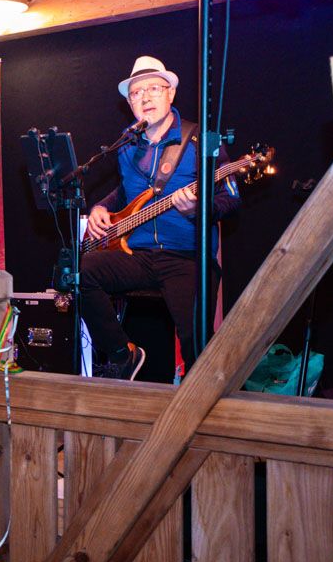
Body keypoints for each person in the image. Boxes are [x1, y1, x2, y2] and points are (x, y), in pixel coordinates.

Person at [81, 55, 241, 380]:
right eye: (137, 93)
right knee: (80, 272)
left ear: (170, 94)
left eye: (154, 88)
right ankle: (121, 354)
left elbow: (232, 198)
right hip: (138, 257)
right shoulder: (127, 145)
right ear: (130, 103)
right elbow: (126, 194)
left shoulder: (200, 140)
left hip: (186, 258)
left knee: (196, 347)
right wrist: (100, 208)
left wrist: (199, 210)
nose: (146, 97)